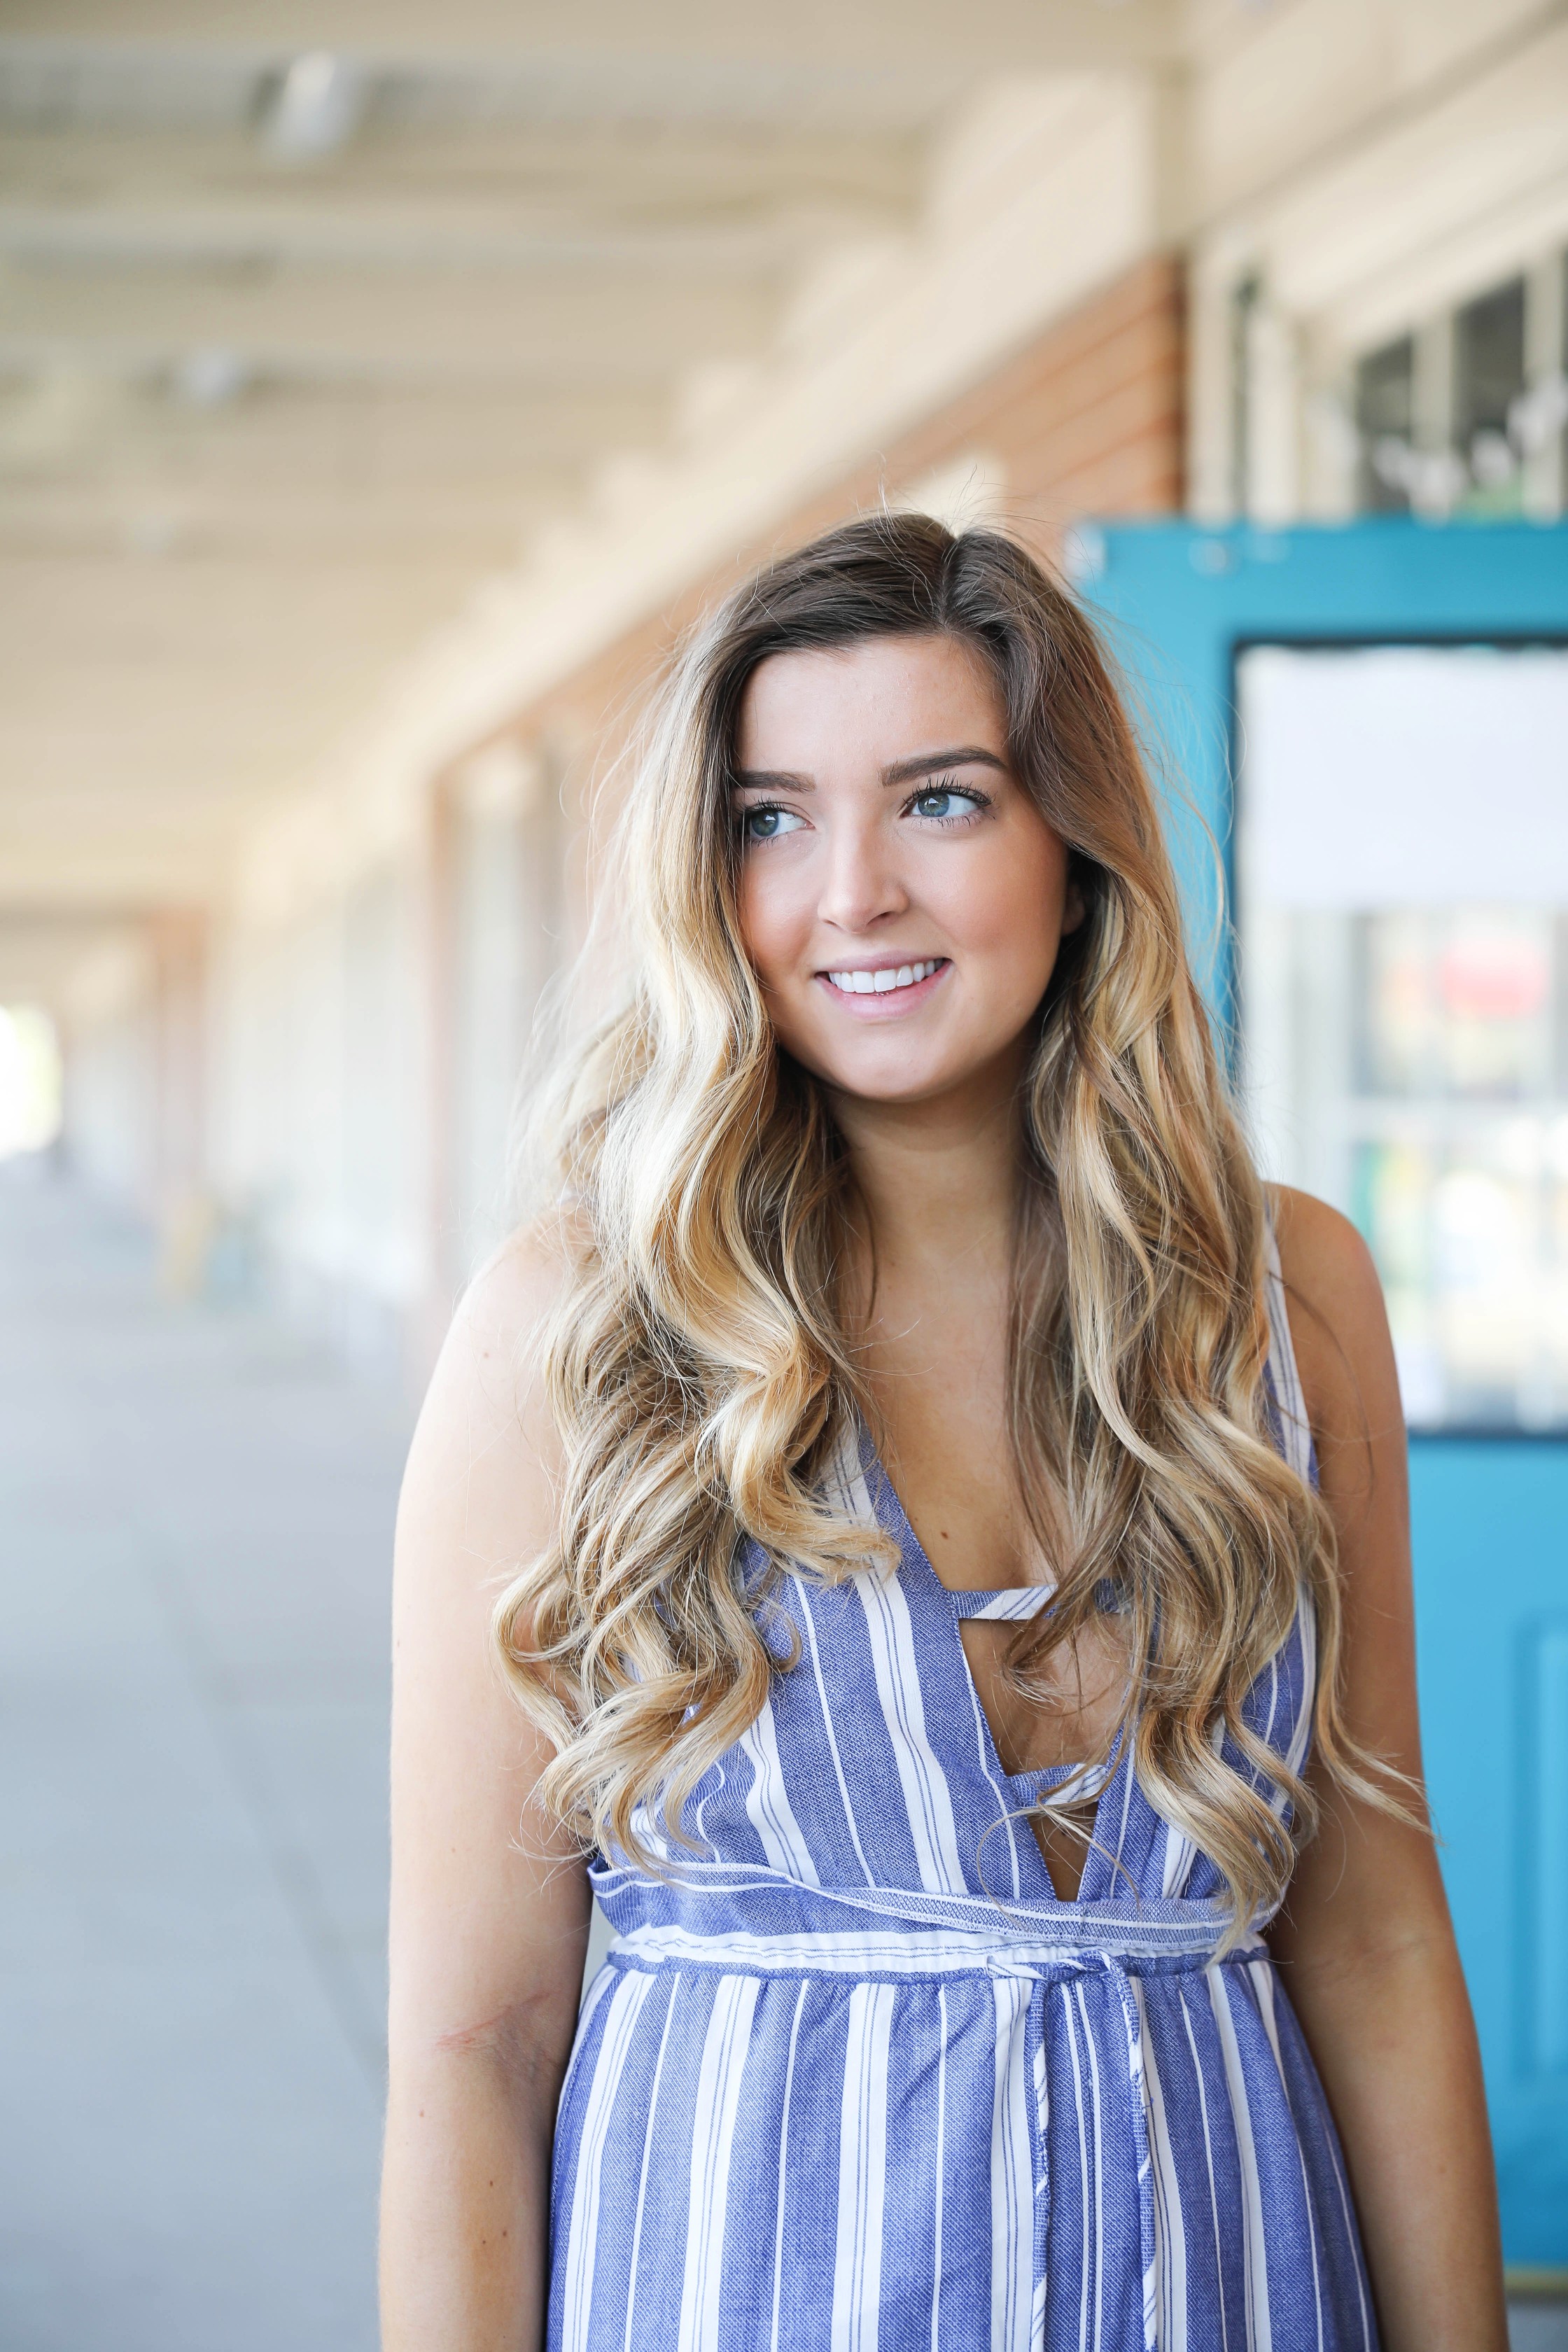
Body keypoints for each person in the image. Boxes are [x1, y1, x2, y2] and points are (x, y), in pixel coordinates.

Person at [379, 517, 1506, 2351]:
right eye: (771, 819)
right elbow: (477, 2042)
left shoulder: (1287, 1297)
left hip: (1221, 2287)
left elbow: (1372, 1936)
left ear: (1074, 848)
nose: (853, 896)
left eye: (942, 801)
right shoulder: (575, 1331)